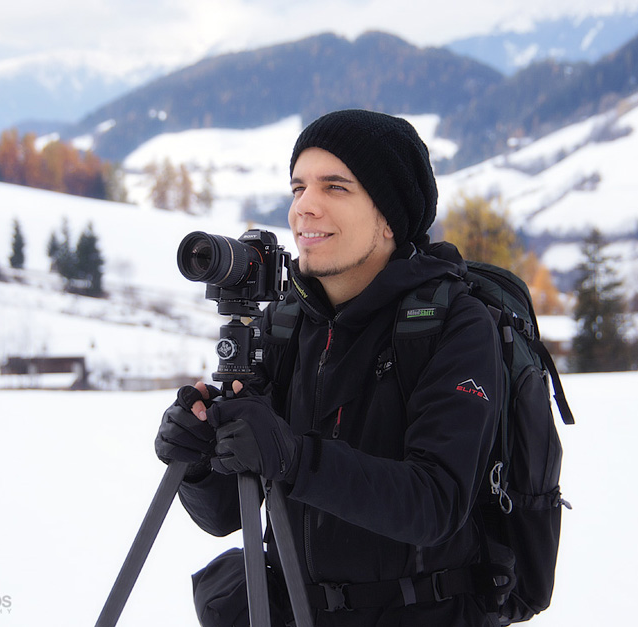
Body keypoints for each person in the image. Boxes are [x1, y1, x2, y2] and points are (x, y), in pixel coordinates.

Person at [155, 109, 505, 626]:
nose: (304, 209)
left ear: (389, 215)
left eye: (334, 187)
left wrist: (296, 459)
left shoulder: (452, 325)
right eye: (297, 189)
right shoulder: (286, 325)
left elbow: (436, 503)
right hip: (294, 609)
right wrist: (202, 461)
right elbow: (229, 514)